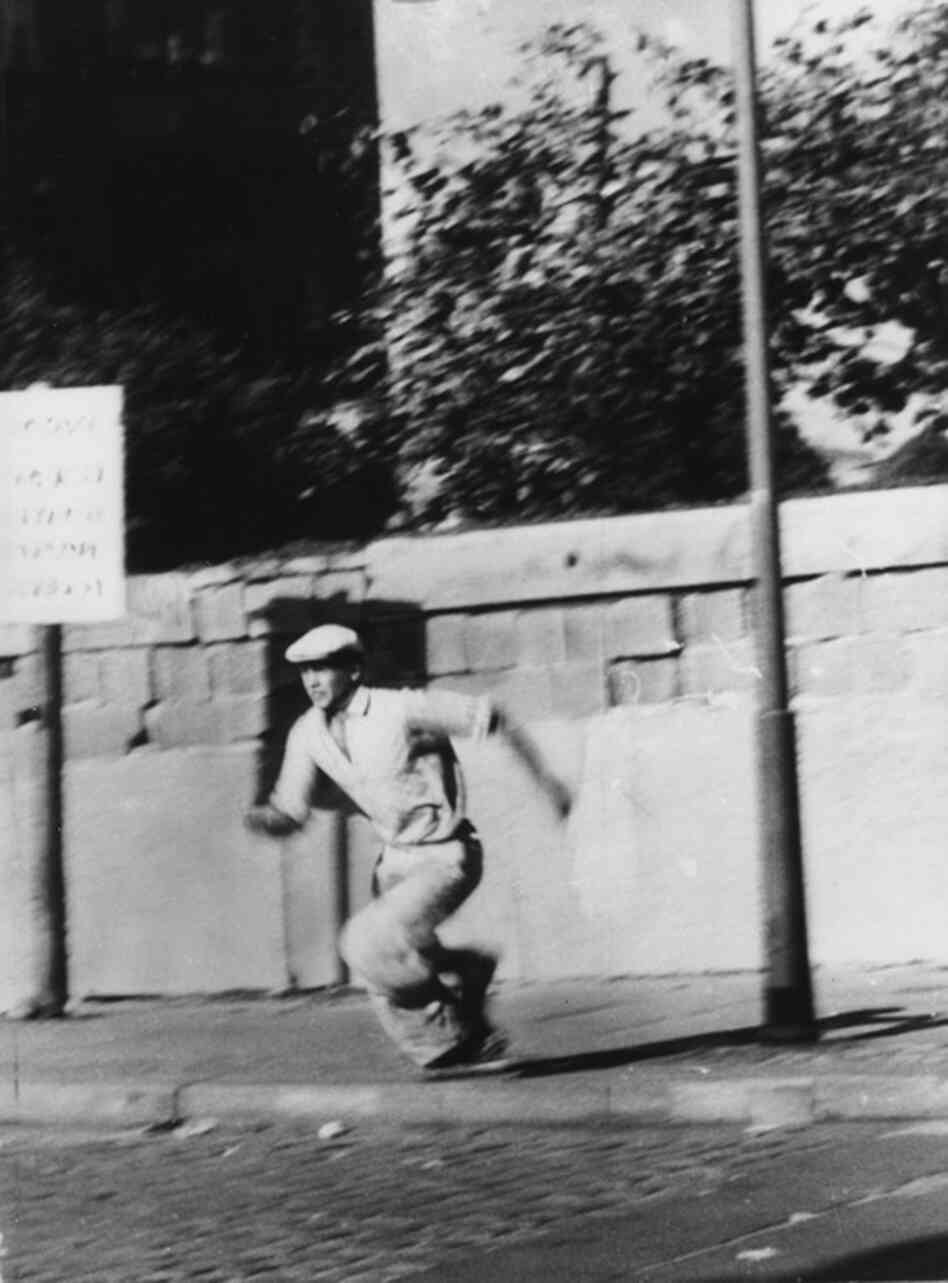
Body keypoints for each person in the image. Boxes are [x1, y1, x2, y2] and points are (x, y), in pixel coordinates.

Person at [245, 623, 546, 1074]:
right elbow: (292, 807)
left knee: (366, 943)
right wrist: (270, 821)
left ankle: (470, 1033)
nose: (313, 680)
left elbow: (490, 715)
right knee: (384, 966)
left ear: (353, 670)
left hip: (445, 855)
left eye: (324, 668)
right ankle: (446, 1043)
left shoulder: (401, 708)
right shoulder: (307, 733)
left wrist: (549, 783)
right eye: (306, 670)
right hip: (393, 863)